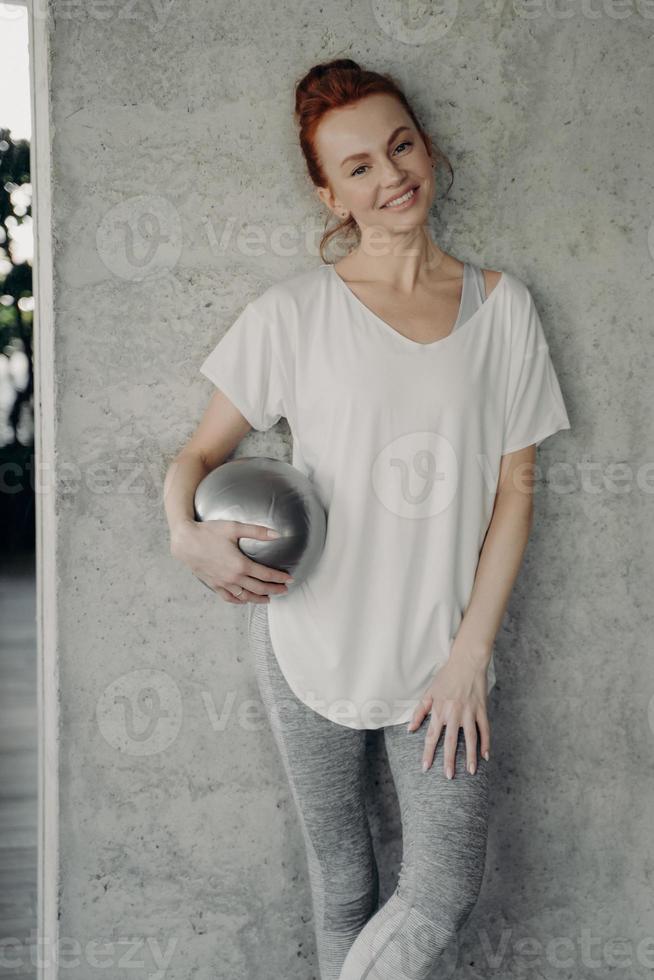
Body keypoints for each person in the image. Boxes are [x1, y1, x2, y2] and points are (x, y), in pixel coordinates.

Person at [164, 59, 571, 980]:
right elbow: (195, 459)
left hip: (442, 654)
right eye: (357, 167)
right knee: (343, 884)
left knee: (440, 891)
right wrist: (185, 534)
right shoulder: (291, 315)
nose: (390, 176)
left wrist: (471, 656)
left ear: (427, 147)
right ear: (329, 193)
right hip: (309, 640)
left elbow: (516, 491)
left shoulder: (505, 310)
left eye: (399, 145)